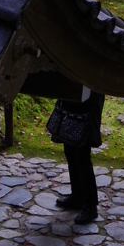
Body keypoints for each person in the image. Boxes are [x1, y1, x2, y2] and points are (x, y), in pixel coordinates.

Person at [46, 88, 105, 225]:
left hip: (89, 93)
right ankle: (77, 196)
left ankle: (90, 206)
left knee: (82, 155)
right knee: (70, 149)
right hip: (73, 92)